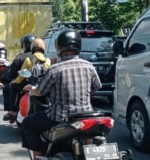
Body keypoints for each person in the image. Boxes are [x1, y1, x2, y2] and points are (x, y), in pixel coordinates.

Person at [21, 29, 102, 159]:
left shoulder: (55, 69)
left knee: (28, 124)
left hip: (60, 116)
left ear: (59, 47)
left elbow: (39, 92)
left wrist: (31, 88)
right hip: (86, 115)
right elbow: (96, 87)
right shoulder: (89, 66)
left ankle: (37, 155)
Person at [4, 37, 51, 123]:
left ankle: (13, 111)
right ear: (44, 47)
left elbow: (22, 75)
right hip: (42, 86)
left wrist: (14, 82)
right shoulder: (47, 60)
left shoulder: (28, 59)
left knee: (13, 87)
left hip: (30, 85)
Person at [2, 34, 35, 121]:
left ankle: (12, 111)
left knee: (8, 87)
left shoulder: (20, 57)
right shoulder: (43, 57)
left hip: (24, 83)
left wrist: (10, 77)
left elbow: (12, 74)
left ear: (23, 44)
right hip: (38, 84)